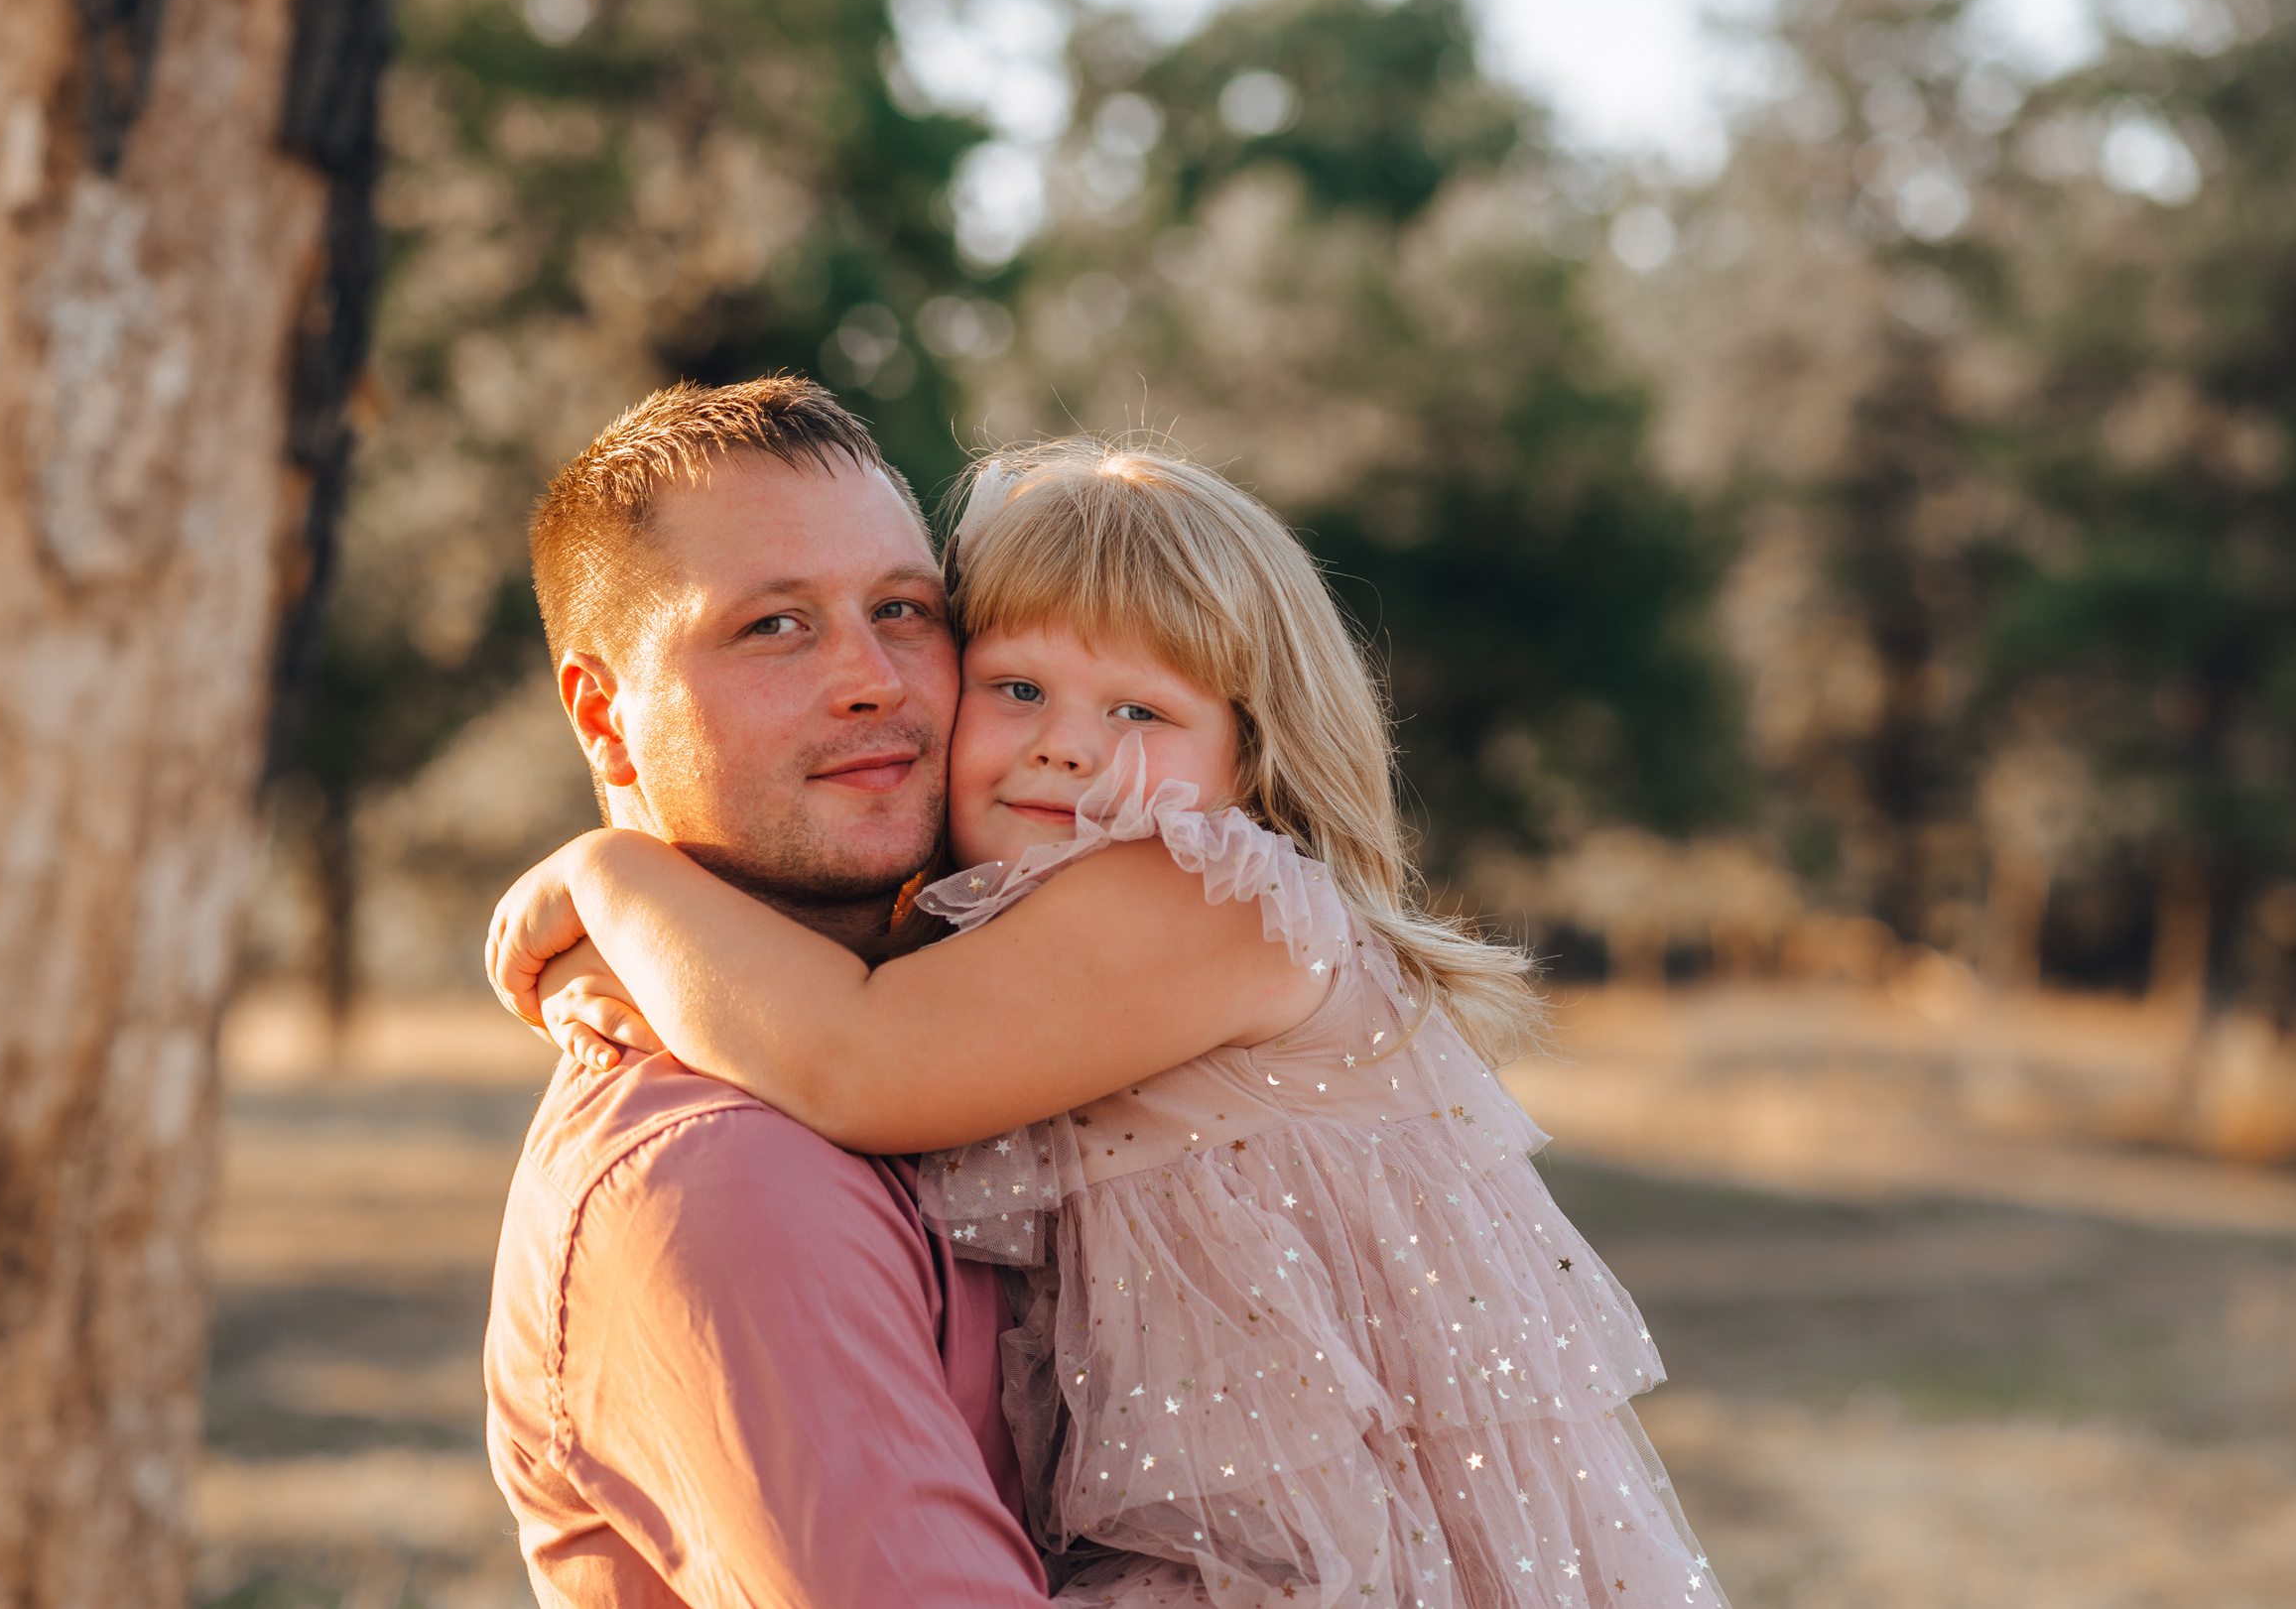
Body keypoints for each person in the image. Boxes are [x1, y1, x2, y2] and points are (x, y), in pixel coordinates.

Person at [490, 435, 1732, 1608]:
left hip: (1322, 1550)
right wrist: (656, 962)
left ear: (1251, 759)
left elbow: (861, 1053)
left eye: (1138, 713)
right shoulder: (996, 957)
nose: (1066, 749)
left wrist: (614, 881)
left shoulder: (1202, 888)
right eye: (1017, 687)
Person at [480, 376, 1053, 1607]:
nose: (874, 679)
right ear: (605, 719)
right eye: (772, 627)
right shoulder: (719, 1174)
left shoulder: (1003, 1018)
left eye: (904, 609)